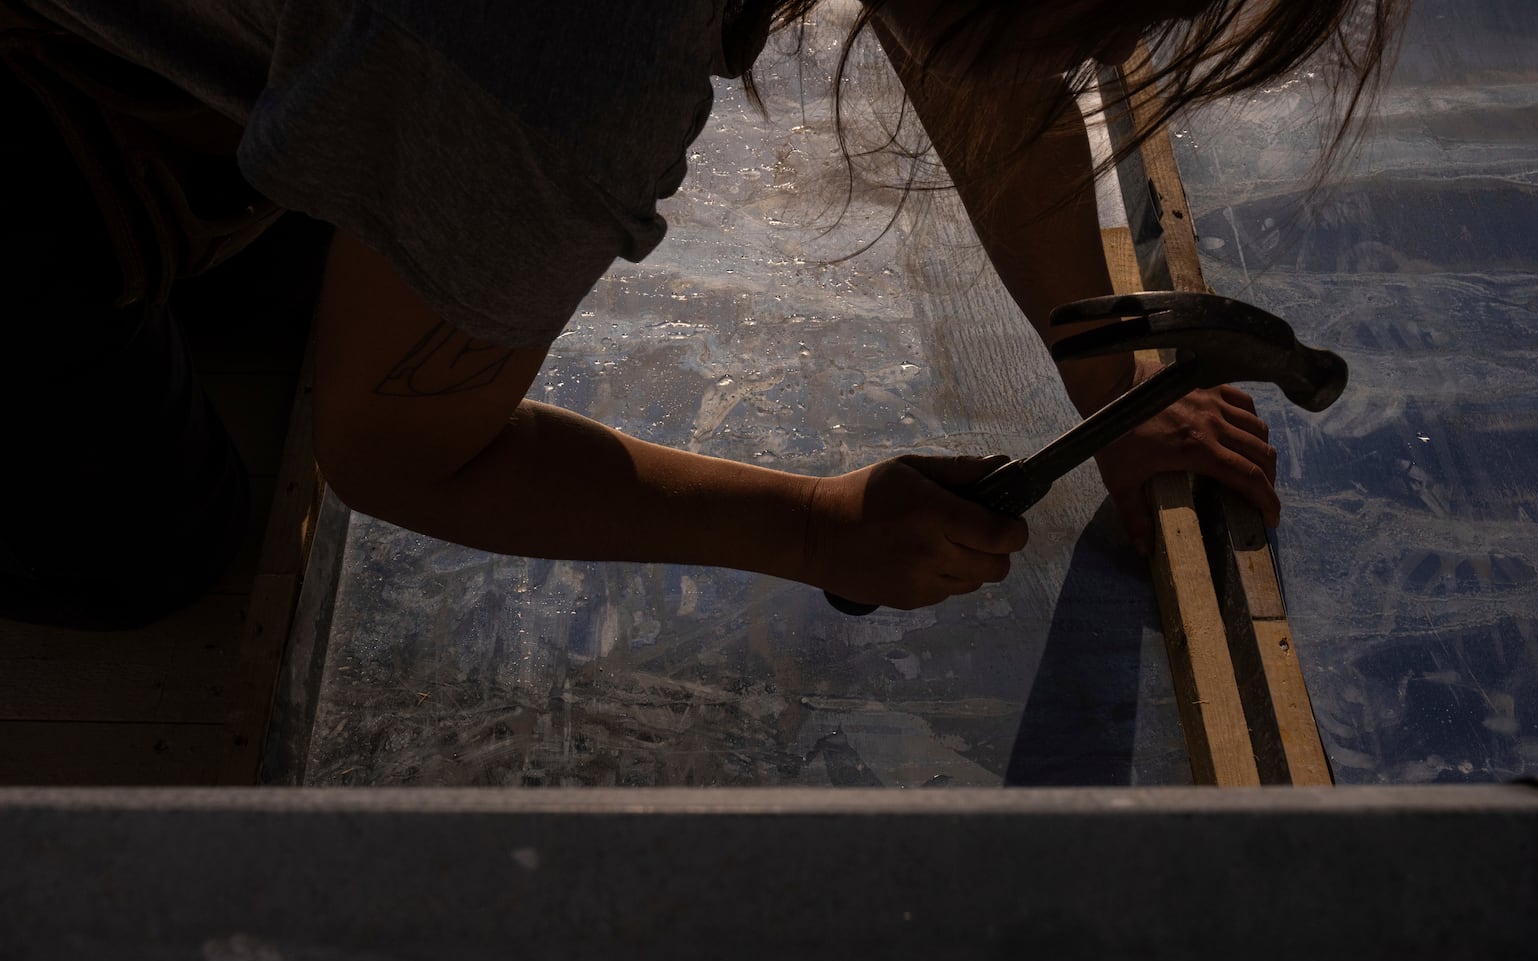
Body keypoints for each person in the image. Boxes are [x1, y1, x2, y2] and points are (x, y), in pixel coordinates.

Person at [0, 0, 1406, 630]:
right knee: (159, 545)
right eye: (1114, 11)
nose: (1113, 49)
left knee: (362, 265)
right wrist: (804, 527)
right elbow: (390, 457)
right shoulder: (572, 59)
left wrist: (1115, 362)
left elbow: (972, 41)